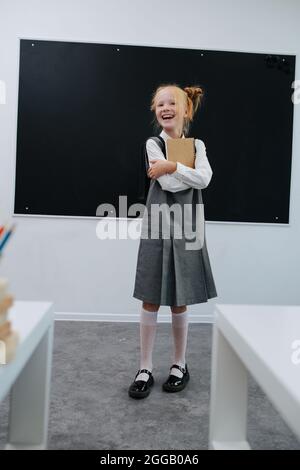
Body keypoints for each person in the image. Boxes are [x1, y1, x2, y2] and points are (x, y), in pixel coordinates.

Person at [129, 83, 217, 399]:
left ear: (185, 109)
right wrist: (176, 170)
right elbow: (168, 182)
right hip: (158, 224)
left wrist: (174, 165)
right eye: (160, 104)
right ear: (156, 111)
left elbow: (205, 179)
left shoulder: (198, 145)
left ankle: (179, 364)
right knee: (150, 296)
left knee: (180, 298)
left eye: (172, 103)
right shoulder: (153, 144)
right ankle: (145, 367)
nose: (165, 108)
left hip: (187, 226)